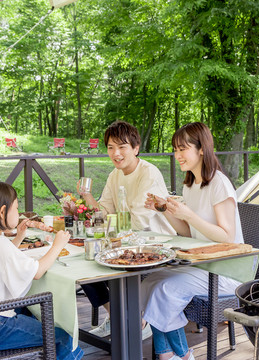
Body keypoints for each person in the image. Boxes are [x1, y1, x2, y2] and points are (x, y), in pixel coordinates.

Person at [142, 122, 244, 360]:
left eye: (182, 149)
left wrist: (189, 215)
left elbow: (227, 237)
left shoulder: (219, 183)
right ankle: (167, 354)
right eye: (175, 150)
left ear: (201, 149)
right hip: (202, 264)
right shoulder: (190, 185)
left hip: (227, 270)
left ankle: (182, 355)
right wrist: (165, 209)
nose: (177, 155)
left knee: (165, 289)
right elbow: (189, 233)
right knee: (147, 283)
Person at [0, 181, 83, 360]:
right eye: (17, 209)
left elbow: (2, 257)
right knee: (64, 338)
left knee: (29, 310)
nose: (19, 214)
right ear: (2, 212)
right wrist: (58, 245)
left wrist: (19, 237)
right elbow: (36, 272)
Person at [77, 120, 174, 338]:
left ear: (136, 148)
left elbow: (138, 221)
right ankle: (119, 317)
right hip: (126, 240)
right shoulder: (115, 174)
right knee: (85, 265)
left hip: (154, 243)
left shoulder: (148, 173)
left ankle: (139, 320)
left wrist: (108, 226)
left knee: (103, 259)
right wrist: (86, 198)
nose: (116, 153)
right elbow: (103, 212)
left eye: (122, 147)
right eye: (111, 147)